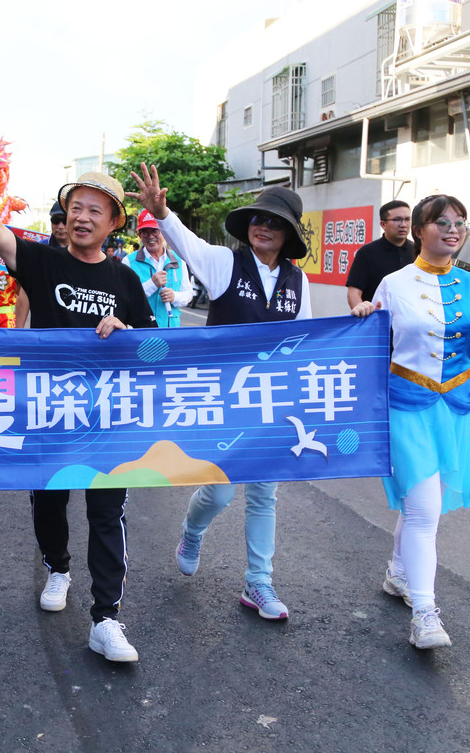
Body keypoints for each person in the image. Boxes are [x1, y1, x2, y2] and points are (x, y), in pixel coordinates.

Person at [0, 138, 156, 663]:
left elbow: (154, 350)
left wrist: (127, 330)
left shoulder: (126, 279)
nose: (82, 218)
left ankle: (106, 619)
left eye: (95, 211)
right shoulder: (41, 262)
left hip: (106, 419)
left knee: (107, 514)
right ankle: (57, 567)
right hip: (48, 412)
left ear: (114, 223)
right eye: (76, 208)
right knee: (49, 501)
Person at [349, 195, 470, 649]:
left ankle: (399, 573)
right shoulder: (394, 284)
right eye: (442, 222)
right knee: (424, 510)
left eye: (460, 222)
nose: (453, 230)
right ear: (420, 230)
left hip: (455, 407)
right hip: (406, 405)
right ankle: (424, 613)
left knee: (423, 505)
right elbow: (369, 344)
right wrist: (362, 315)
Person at [132, 167, 311, 622]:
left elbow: (307, 340)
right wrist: (162, 213)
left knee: (264, 495)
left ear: (288, 235)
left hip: (270, 403)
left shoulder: (298, 281)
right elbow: (187, 243)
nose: (262, 227)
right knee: (219, 493)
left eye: (274, 223)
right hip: (223, 401)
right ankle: (192, 532)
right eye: (257, 219)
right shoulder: (225, 263)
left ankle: (258, 581)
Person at [124, 209, 193, 328]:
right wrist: (152, 284)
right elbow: (125, 298)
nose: (151, 236)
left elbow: (188, 293)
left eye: (155, 231)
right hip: (141, 330)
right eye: (145, 232)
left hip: (171, 330)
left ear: (163, 232)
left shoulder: (179, 260)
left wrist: (174, 296)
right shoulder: (129, 262)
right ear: (139, 235)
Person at [346, 200, 414, 308]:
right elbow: (353, 293)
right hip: (379, 316)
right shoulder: (367, 253)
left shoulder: (418, 251)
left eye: (407, 219)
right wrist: (365, 314)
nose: (403, 225)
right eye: (397, 220)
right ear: (383, 224)